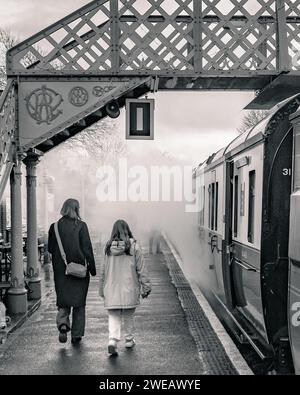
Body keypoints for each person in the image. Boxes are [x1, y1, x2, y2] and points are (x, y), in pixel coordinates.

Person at [99, 219, 151, 356]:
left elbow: (103, 270)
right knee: (128, 315)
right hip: (129, 288)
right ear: (128, 230)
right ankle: (129, 339)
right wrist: (146, 287)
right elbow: (141, 269)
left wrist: (101, 289)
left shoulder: (108, 248)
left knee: (114, 316)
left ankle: (112, 340)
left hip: (111, 288)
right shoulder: (134, 246)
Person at [48, 199, 96, 345]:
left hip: (62, 270)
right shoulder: (81, 226)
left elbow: (50, 248)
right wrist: (92, 269)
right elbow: (87, 248)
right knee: (79, 303)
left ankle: (63, 324)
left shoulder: (54, 227)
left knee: (63, 300)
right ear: (76, 209)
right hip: (80, 270)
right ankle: (76, 334)